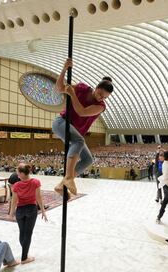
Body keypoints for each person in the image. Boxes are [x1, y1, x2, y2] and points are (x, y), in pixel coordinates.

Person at [52, 58, 114, 197]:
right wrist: (64, 69)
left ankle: (62, 183)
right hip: (62, 123)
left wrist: (72, 94)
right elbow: (60, 88)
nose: (101, 98)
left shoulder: (100, 107)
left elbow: (82, 112)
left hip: (75, 132)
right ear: (96, 88)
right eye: (100, 94)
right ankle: (68, 178)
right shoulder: (81, 88)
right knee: (79, 141)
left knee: (88, 160)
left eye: (105, 97)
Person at [9, 164, 47, 264]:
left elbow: (14, 201)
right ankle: (24, 258)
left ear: (22, 173)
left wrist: (11, 213)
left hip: (20, 211)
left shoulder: (16, 185)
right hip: (31, 209)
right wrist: (43, 210)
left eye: (18, 174)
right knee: (28, 233)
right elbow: (39, 197)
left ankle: (24, 253)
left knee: (22, 232)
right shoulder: (36, 182)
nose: (17, 176)